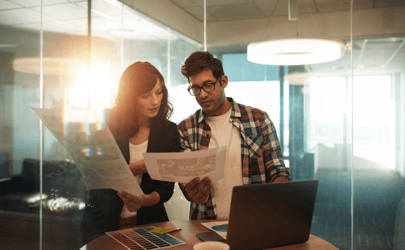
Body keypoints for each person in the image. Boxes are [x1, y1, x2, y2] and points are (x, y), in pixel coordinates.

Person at [177, 51, 290, 220]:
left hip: (254, 222)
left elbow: (276, 167)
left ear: (223, 81)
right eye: (195, 88)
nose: (202, 94)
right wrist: (191, 192)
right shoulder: (185, 129)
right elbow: (185, 182)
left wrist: (280, 189)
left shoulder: (258, 120)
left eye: (208, 85)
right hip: (205, 226)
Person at [80, 62, 180, 245]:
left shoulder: (168, 131)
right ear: (130, 97)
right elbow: (94, 175)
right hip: (103, 223)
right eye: (146, 95)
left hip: (150, 224)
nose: (155, 101)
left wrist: (144, 200)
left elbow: (166, 189)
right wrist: (138, 167)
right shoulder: (107, 125)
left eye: (159, 92)